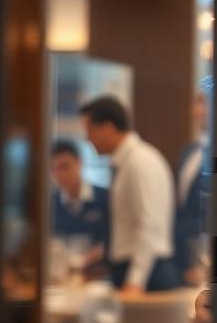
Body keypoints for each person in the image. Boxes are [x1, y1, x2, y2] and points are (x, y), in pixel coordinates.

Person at [80, 96, 180, 292]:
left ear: (107, 127)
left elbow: (148, 224)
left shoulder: (139, 162)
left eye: (89, 130)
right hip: (132, 269)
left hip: (148, 274)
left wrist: (135, 280)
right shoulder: (126, 162)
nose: (87, 138)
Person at [49, 139, 110, 275]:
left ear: (79, 163)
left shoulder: (104, 197)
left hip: (98, 275)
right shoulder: (50, 203)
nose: (60, 175)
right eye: (55, 169)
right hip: (62, 274)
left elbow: (111, 240)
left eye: (65, 167)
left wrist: (84, 261)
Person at [174, 87, 210, 285]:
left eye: (207, 102)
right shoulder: (188, 152)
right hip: (184, 259)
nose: (201, 110)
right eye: (199, 102)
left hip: (210, 257)